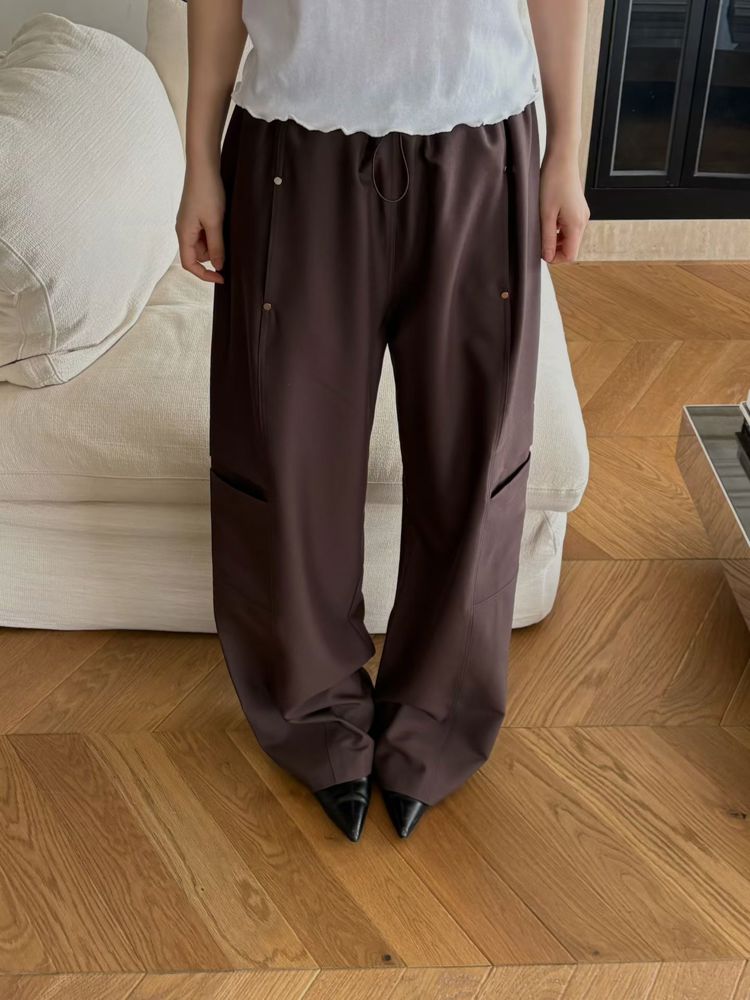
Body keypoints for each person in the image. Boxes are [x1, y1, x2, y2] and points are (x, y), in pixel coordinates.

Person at [176, 0, 589, 843]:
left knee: (473, 454)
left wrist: (567, 155)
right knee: (289, 456)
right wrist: (199, 163)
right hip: (293, 143)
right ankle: (316, 718)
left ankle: (434, 720)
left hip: (480, 140)